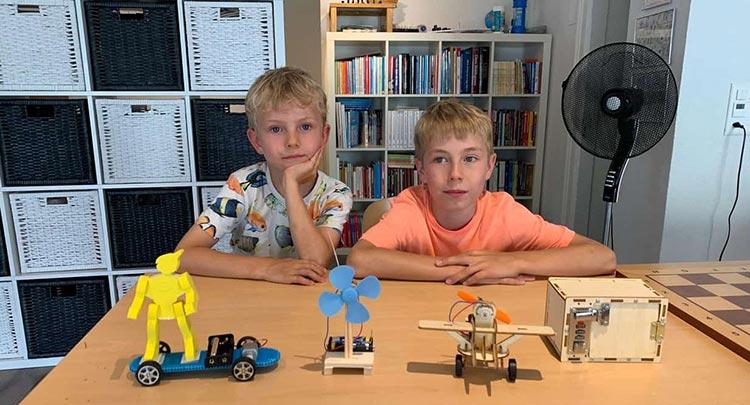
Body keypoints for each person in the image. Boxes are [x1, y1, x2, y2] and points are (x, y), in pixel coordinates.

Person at [348, 100, 615, 285]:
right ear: (421, 170)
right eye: (440, 160)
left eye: (470, 159)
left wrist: (512, 263)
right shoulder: (412, 208)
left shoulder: (504, 213)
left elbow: (602, 257)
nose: (455, 173)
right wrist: (466, 270)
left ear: (489, 166)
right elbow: (360, 259)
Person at [176, 67, 352, 285]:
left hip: (307, 302)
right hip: (251, 298)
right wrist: (269, 269)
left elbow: (315, 260)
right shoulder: (242, 185)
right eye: (276, 129)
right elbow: (183, 256)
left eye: (305, 126)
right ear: (256, 141)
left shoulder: (336, 193)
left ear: (324, 135)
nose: (292, 141)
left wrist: (290, 185)